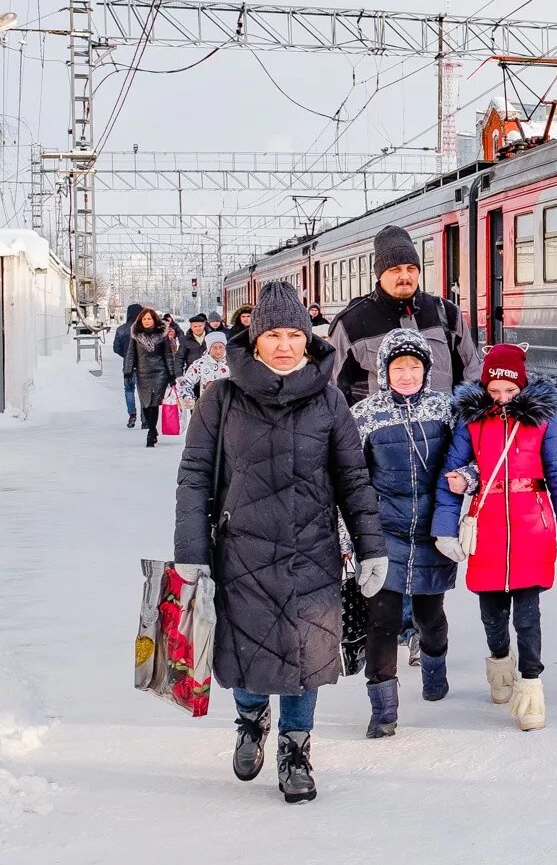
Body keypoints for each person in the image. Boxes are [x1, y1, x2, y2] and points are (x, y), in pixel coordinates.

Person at [171, 282, 385, 804]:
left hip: (312, 550)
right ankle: (250, 720)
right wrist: (191, 555)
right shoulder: (220, 400)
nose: (285, 344)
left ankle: (296, 747)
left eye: (295, 334)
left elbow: (353, 479)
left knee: (306, 653)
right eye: (274, 334)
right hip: (241, 552)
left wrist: (371, 545)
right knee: (246, 650)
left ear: (308, 340)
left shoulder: (330, 402)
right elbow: (194, 477)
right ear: (255, 337)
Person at [430, 343, 557, 732]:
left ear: (522, 388)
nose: (502, 400)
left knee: (528, 615)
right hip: (488, 526)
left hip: (533, 524)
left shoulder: (543, 421)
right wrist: (445, 528)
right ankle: (500, 664)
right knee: (492, 612)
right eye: (494, 392)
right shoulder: (471, 422)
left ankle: (531, 687)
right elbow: (451, 474)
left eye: (510, 393)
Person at [351, 329, 457, 738]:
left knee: (430, 617)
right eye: (399, 367)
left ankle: (435, 668)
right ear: (384, 371)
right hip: (384, 533)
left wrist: (466, 478)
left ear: (427, 370)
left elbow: (467, 461)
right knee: (384, 621)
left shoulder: (444, 410)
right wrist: (352, 539)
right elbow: (352, 480)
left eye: (415, 366)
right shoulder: (365, 415)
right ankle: (383, 712)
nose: (407, 374)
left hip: (433, 532)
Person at [328, 224, 479, 405]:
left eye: (411, 268)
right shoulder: (351, 323)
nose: (405, 276)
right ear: (380, 273)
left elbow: (471, 374)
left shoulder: (447, 313)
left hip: (442, 430)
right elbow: (335, 392)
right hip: (379, 432)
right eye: (395, 270)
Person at [128, 308, 181, 448]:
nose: (146, 321)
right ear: (140, 320)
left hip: (159, 373)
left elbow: (168, 355)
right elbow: (131, 353)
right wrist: (128, 370)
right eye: (144, 319)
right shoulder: (135, 335)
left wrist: (171, 374)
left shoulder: (162, 335)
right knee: (145, 403)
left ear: (154, 320)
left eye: (149, 319)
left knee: (154, 403)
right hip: (142, 373)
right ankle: (152, 428)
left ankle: (151, 432)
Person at [174, 330, 230, 410]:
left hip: (228, 406)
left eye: (221, 347)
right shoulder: (200, 364)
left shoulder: (232, 363)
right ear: (209, 348)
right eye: (214, 347)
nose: (218, 351)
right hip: (207, 406)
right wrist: (188, 396)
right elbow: (186, 382)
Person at [112, 301, 143, 428]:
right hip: (143, 366)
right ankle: (145, 419)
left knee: (129, 391)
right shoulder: (142, 329)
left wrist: (126, 356)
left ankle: (132, 414)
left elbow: (116, 348)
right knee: (143, 393)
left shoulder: (121, 329)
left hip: (127, 367)